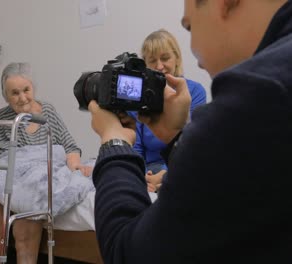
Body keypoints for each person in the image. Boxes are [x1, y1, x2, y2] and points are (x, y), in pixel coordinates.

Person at [88, 0, 292, 263]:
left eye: (190, 26)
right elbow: (224, 191)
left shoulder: (260, 94)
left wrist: (113, 143)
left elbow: (128, 254)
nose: (195, 51)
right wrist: (175, 139)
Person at [0, 62, 92, 264]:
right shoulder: (2, 116)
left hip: (42, 170)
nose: (22, 98)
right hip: (15, 172)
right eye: (14, 93)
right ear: (5, 96)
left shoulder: (47, 110)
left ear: (33, 88)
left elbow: (69, 145)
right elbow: (2, 155)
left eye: (26, 90)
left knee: (33, 191)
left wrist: (75, 166)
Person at [131, 29, 206, 192]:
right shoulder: (139, 95)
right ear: (144, 65)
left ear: (177, 58)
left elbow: (192, 142)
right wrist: (142, 175)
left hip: (183, 164)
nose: (159, 66)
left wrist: (166, 173)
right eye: (152, 61)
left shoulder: (195, 92)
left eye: (165, 58)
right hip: (148, 171)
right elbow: (135, 147)